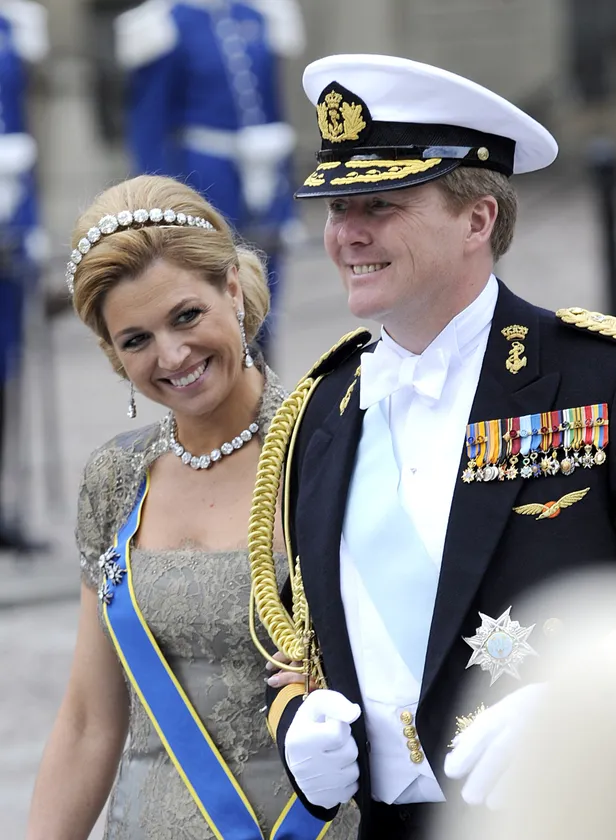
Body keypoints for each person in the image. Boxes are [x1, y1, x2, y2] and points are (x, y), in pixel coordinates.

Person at [249, 54, 616, 839]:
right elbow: (296, 638)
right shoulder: (319, 410)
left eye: (380, 205)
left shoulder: (595, 378)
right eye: (336, 207)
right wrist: (294, 723)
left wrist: (596, 701)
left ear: (478, 220)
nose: (346, 234)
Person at [26, 175, 358, 839]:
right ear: (113, 355)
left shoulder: (331, 444)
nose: (173, 356)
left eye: (186, 316)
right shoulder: (117, 479)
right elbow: (89, 722)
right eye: (136, 340)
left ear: (231, 289)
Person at [114, 0, 306, 361]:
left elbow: (274, 106)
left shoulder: (260, 15)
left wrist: (285, 194)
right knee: (213, 286)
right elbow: (149, 124)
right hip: (204, 174)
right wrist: (158, 204)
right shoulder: (164, 23)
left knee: (267, 293)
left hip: (264, 168)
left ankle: (263, 385)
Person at [0, 0, 48, 551]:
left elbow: (22, 131)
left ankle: (5, 508)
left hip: (7, 224)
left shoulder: (14, 24)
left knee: (6, 366)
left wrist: (28, 220)